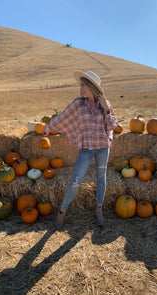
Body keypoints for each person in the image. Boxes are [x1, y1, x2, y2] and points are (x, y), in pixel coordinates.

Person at [43, 70, 118, 229]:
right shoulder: (78, 103)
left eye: (83, 85)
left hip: (103, 147)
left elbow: (112, 126)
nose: (81, 88)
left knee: (101, 178)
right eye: (81, 85)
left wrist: (106, 110)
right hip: (86, 149)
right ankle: (62, 211)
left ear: (91, 87)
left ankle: (99, 209)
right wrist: (49, 127)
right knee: (76, 180)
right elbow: (63, 117)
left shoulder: (105, 103)